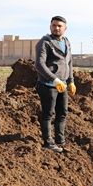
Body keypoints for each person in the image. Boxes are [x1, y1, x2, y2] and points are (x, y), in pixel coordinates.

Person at [35, 16, 76, 153]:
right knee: (48, 114)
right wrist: (54, 79)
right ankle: (48, 143)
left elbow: (69, 63)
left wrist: (71, 81)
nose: (56, 28)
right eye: (54, 25)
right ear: (50, 26)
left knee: (62, 113)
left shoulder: (66, 42)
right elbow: (39, 64)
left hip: (62, 85)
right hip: (47, 85)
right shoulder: (45, 42)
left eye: (59, 26)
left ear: (65, 28)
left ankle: (60, 141)